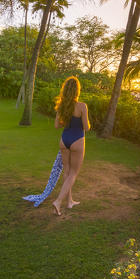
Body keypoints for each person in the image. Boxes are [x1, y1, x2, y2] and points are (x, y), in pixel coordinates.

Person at [52, 76, 90, 216]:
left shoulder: (61, 106)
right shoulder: (82, 106)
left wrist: (66, 121)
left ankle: (69, 202)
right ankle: (58, 201)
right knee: (73, 173)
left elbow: (57, 125)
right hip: (77, 140)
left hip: (64, 140)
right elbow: (86, 127)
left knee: (67, 172)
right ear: (77, 90)